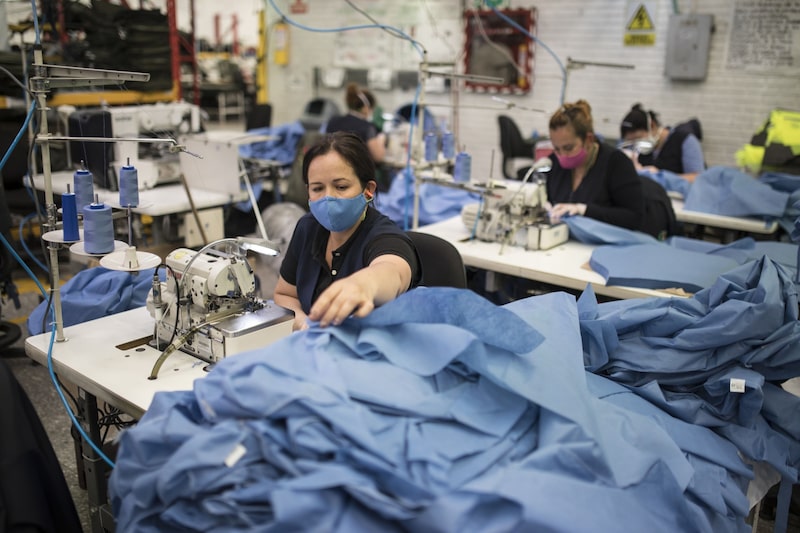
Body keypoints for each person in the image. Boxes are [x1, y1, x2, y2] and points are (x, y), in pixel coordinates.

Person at [273, 131, 421, 331]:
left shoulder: (386, 237)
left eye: (341, 186)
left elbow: (393, 272)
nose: (328, 198)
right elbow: (286, 295)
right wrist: (303, 323)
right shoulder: (307, 228)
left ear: (368, 189)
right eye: (317, 189)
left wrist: (363, 285)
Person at [545, 100, 645, 231]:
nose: (562, 155)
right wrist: (543, 206)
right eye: (557, 149)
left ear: (589, 139)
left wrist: (583, 210)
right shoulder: (553, 163)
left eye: (568, 148)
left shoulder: (615, 163)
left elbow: (634, 218)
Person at [620, 103, 705, 182]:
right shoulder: (640, 150)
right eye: (632, 141)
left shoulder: (685, 141)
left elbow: (697, 178)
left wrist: (660, 176)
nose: (636, 144)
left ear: (652, 126)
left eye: (638, 138)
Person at [325, 82, 386, 164]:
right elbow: (378, 157)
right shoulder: (367, 127)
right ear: (365, 108)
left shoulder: (333, 121)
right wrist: (381, 139)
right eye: (371, 109)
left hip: (332, 166)